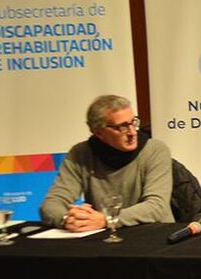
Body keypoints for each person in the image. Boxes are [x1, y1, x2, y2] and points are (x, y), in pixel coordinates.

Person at [40, 95, 174, 230]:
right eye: (122, 127)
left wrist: (106, 220)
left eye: (133, 122)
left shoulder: (155, 150)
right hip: (104, 238)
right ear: (99, 133)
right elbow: (52, 203)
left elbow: (157, 206)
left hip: (153, 236)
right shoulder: (80, 153)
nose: (132, 132)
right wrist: (68, 219)